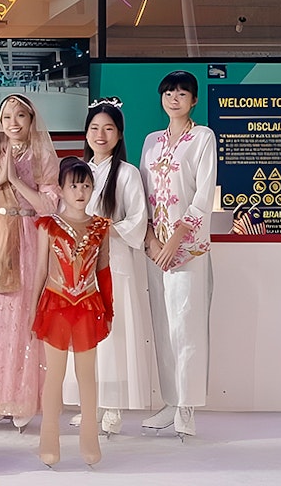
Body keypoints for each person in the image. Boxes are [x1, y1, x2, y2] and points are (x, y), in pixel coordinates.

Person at [0, 94, 57, 430]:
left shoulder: (43, 156)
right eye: (7, 117)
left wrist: (17, 181)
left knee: (23, 316)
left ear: (31, 119)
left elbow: (49, 205)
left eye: (21, 116)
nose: (14, 123)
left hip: (28, 236)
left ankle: (21, 399)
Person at [64, 98, 151, 435]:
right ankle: (91, 404)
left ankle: (112, 405)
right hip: (81, 267)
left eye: (108, 129)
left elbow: (137, 220)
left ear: (119, 135)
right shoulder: (77, 172)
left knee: (113, 335)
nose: (100, 135)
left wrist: (104, 228)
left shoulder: (127, 174)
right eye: (94, 128)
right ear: (86, 133)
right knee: (85, 335)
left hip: (114, 263)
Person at [140, 71, 217, 438]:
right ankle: (170, 400)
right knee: (162, 325)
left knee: (186, 326)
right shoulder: (151, 141)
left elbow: (203, 194)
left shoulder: (202, 138)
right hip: (155, 250)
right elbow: (143, 196)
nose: (174, 98)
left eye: (182, 93)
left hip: (188, 250)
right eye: (168, 92)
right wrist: (153, 240)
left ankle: (187, 405)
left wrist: (176, 241)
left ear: (194, 101)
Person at [32, 157, 113, 467]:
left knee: (87, 377)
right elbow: (40, 271)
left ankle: (90, 439)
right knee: (54, 376)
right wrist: (32, 312)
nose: (80, 191)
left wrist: (109, 308)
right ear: (62, 190)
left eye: (86, 185)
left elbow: (104, 270)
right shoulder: (48, 225)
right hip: (54, 305)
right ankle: (48, 440)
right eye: (74, 185)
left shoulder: (101, 226)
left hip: (89, 306)